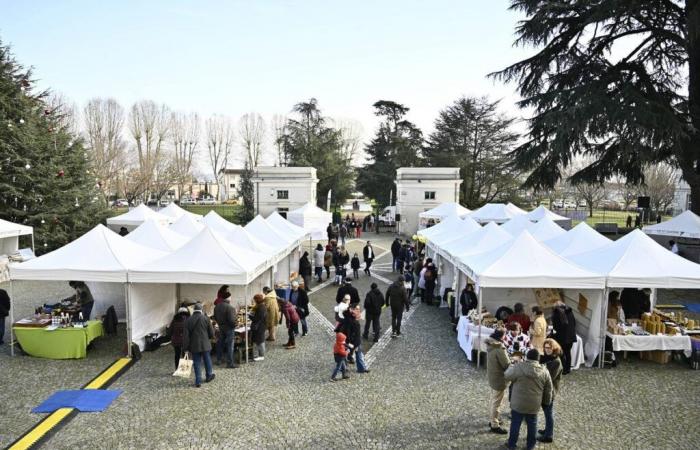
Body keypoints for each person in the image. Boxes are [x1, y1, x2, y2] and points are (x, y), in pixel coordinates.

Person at [504, 349, 553, 450]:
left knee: (515, 423)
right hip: (534, 404)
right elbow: (549, 389)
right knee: (532, 424)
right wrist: (546, 402)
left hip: (518, 403)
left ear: (527, 357)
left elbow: (507, 375)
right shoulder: (544, 371)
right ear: (538, 359)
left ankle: (512, 444)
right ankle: (530, 445)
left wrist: (512, 365)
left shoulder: (518, 367)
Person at [183, 303, 216, 387]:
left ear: (194, 310)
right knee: (207, 360)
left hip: (194, 345)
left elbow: (186, 336)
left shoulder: (188, 320)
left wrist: (185, 348)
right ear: (201, 309)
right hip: (205, 344)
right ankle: (209, 375)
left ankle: (198, 381)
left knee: (196, 362)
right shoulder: (206, 318)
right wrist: (209, 337)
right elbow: (211, 333)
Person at [538, 339, 563, 444]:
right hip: (545, 390)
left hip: (550, 391)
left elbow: (549, 378)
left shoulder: (556, 361)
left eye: (549, 348)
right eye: (545, 347)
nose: (547, 350)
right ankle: (547, 430)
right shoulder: (548, 358)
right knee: (546, 412)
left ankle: (549, 435)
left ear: (554, 348)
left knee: (548, 413)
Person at [485, 327, 510, 434]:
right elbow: (506, 365)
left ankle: (493, 419)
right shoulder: (500, 349)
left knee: (493, 400)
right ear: (502, 336)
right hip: (499, 378)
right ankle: (494, 424)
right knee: (497, 403)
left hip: (492, 376)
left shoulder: (491, 344)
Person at [213, 290, 238, 368]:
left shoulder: (217, 306)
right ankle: (230, 363)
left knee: (220, 343)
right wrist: (234, 325)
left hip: (221, 327)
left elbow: (215, 317)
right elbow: (231, 320)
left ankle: (219, 359)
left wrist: (220, 324)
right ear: (228, 298)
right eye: (230, 297)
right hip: (229, 328)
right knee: (230, 345)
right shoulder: (230, 307)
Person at [551, 300, 576, 374]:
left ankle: (563, 369)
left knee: (561, 353)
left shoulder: (556, 313)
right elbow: (574, 323)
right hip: (571, 336)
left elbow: (556, 327)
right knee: (568, 353)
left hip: (562, 337)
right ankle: (567, 369)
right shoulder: (570, 312)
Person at [344, 304, 369, 373]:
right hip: (351, 342)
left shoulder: (354, 318)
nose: (359, 311)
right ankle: (343, 368)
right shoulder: (349, 320)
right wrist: (351, 343)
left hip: (356, 341)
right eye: (357, 309)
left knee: (359, 355)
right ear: (352, 310)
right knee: (344, 354)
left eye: (359, 309)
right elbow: (348, 332)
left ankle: (361, 368)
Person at [251, 294, 268, 361]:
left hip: (259, 327)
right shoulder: (261, 306)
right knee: (258, 340)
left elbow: (257, 318)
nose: (254, 301)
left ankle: (260, 355)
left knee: (259, 341)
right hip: (261, 326)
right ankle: (258, 355)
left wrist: (250, 316)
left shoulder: (261, 307)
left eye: (255, 299)